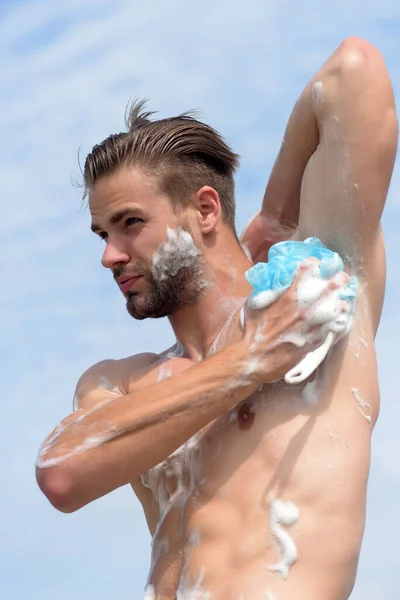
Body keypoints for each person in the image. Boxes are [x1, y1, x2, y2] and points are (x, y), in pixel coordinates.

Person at [36, 36, 397, 600]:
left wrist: (276, 215)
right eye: (103, 234)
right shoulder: (119, 381)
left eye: (130, 223)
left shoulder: (319, 304)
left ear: (205, 209)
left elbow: (354, 72)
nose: (109, 254)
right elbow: (62, 473)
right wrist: (251, 362)